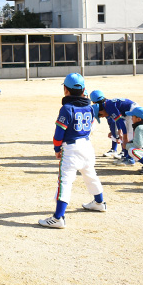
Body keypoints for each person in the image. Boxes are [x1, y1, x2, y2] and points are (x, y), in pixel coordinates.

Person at [39, 73, 105, 229]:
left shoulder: (67, 108)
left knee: (65, 182)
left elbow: (59, 133)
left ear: (65, 90)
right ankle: (99, 202)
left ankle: (58, 217)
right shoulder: (90, 106)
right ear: (83, 90)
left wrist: (56, 148)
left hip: (71, 148)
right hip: (87, 146)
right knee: (90, 175)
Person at [89, 90, 136, 164]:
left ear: (100, 112)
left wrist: (125, 136)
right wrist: (120, 130)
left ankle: (129, 159)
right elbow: (117, 120)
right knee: (126, 135)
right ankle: (126, 156)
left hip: (132, 111)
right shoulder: (106, 105)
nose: (103, 117)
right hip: (129, 112)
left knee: (128, 136)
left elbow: (119, 121)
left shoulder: (109, 107)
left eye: (101, 116)